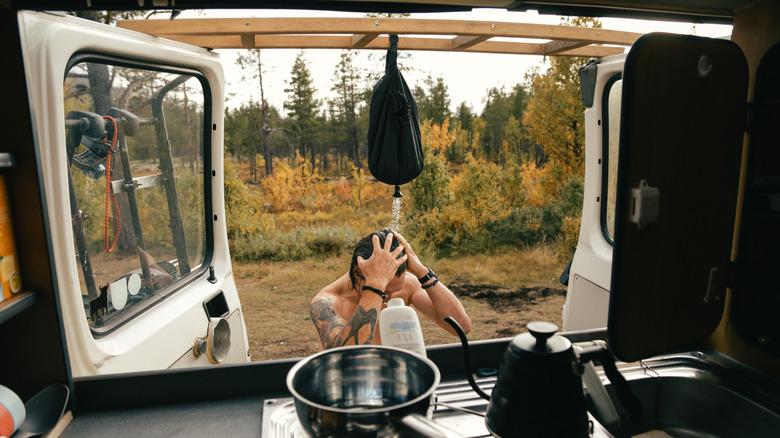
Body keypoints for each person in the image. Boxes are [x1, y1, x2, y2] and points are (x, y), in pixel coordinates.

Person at [310, 228, 472, 349]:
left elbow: (461, 328)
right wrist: (375, 287)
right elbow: (344, 356)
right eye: (384, 292)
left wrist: (422, 272)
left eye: (394, 291)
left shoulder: (406, 285)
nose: (388, 298)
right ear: (357, 272)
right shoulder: (326, 304)